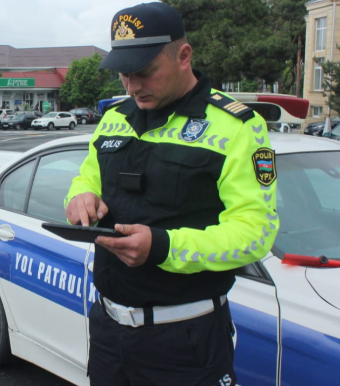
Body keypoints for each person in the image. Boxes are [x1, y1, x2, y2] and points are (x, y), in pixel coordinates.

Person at [64, 3, 279, 385]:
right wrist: (80, 198)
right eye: (123, 75)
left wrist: (163, 247)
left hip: (186, 341)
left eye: (145, 72)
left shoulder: (237, 127)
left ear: (184, 56)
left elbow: (255, 232)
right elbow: (87, 179)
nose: (132, 86)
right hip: (109, 333)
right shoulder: (116, 118)